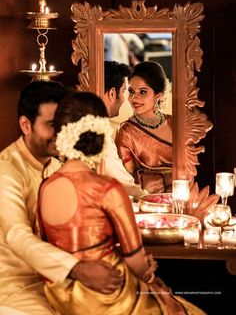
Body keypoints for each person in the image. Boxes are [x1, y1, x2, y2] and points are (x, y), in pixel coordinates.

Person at [38, 90, 206, 315]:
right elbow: (136, 262)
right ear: (100, 137)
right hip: (108, 296)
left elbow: (44, 248)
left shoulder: (45, 186)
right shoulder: (107, 189)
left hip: (61, 295)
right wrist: (148, 273)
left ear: (60, 134)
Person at [0, 81, 122, 315]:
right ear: (26, 125)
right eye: (52, 125)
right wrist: (78, 269)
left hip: (56, 282)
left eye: (64, 125)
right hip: (13, 287)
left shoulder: (58, 168)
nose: (62, 134)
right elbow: (18, 235)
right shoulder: (6, 170)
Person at [115, 61, 172, 194]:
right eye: (131, 91)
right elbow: (127, 180)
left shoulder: (175, 123)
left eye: (143, 92)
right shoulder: (126, 131)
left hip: (183, 197)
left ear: (158, 96)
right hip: (147, 200)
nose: (134, 98)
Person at [103, 60, 145, 198]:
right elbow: (122, 183)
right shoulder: (98, 131)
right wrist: (149, 199)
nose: (126, 99)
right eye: (125, 91)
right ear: (112, 94)